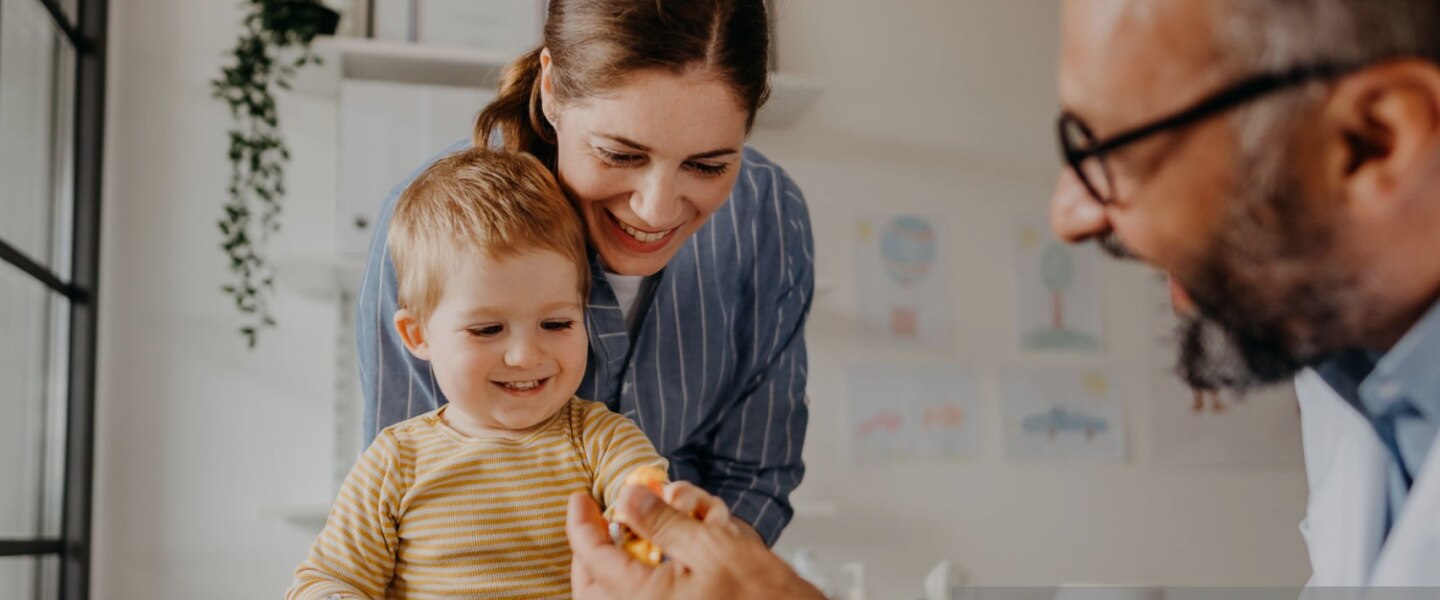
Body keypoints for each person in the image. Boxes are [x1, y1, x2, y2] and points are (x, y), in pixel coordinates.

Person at [567, 0, 1440, 595]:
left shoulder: (764, 220)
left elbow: (757, 470)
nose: (1067, 215)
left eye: (1111, 150)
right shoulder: (1365, 397)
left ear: (1374, 140)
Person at [355, 0, 814, 547]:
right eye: (620, 155)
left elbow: (754, 478)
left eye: (707, 165)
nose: (656, 210)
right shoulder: (429, 235)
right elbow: (402, 503)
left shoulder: (766, 215)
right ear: (551, 90)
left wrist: (668, 580)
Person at [289, 149, 674, 598]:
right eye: (488, 329)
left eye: (557, 324)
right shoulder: (395, 461)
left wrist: (636, 532)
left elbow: (646, 501)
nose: (526, 355)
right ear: (418, 335)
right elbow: (328, 580)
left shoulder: (600, 440)